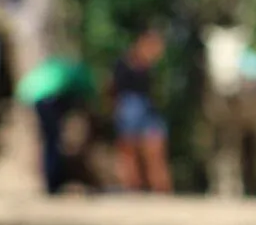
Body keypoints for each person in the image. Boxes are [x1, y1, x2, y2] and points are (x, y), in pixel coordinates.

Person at [15, 56, 96, 195]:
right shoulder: (74, 73)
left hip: (39, 102)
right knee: (52, 142)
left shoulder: (47, 72)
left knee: (50, 141)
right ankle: (53, 183)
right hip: (48, 102)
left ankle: (52, 182)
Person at [111, 26, 173, 193]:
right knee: (128, 151)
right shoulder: (125, 63)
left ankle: (160, 188)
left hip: (147, 107)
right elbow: (112, 89)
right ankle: (132, 187)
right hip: (129, 108)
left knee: (155, 149)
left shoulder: (151, 67)